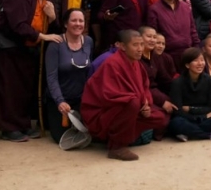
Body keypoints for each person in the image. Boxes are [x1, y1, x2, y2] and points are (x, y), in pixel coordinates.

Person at [0, 0, 63, 142]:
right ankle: (8, 128)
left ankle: (22, 124)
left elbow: (54, 29)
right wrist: (41, 36)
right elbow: (17, 25)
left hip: (28, 48)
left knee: (24, 89)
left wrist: (51, 18)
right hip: (8, 46)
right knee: (9, 89)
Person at [81, 30, 168, 160]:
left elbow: (145, 88)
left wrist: (146, 104)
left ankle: (118, 137)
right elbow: (109, 95)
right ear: (122, 46)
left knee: (161, 117)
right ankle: (117, 147)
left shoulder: (137, 64)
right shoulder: (112, 63)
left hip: (130, 109)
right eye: (135, 45)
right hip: (102, 113)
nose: (140, 49)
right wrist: (138, 102)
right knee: (131, 103)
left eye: (141, 44)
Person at [45, 8, 94, 143]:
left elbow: (88, 73)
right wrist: (60, 101)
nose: (78, 24)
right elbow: (51, 77)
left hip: (81, 99)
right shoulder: (56, 44)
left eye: (81, 21)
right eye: (74, 20)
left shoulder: (89, 41)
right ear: (66, 24)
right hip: (60, 101)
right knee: (65, 138)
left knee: (89, 134)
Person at [167, 47, 211, 142]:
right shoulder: (177, 83)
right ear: (187, 65)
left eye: (202, 60)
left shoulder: (209, 80)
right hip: (186, 118)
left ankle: (189, 133)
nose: (200, 63)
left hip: (204, 117)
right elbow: (178, 111)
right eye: (196, 60)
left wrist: (191, 109)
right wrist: (200, 116)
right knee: (176, 123)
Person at [147, 0, 199, 72]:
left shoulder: (185, 7)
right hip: (168, 53)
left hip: (187, 51)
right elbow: (154, 32)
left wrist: (196, 47)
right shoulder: (154, 9)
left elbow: (192, 29)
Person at [138, 26, 175, 116]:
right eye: (149, 36)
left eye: (154, 37)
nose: (152, 40)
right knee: (162, 115)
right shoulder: (136, 57)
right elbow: (143, 86)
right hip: (142, 95)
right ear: (139, 38)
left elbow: (165, 79)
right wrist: (162, 101)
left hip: (154, 92)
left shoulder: (154, 56)